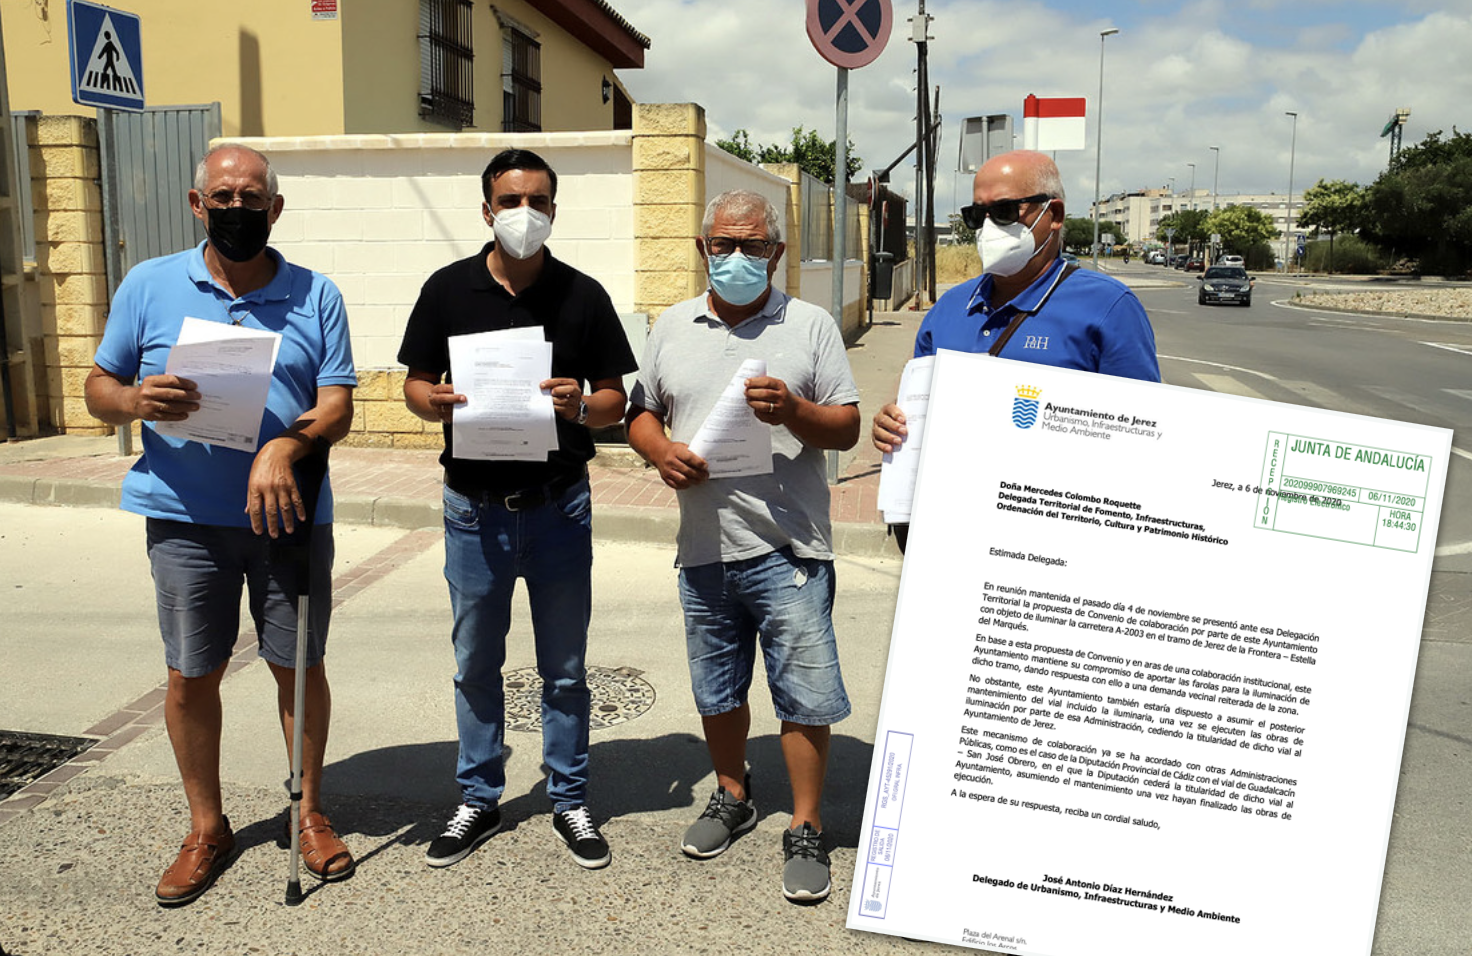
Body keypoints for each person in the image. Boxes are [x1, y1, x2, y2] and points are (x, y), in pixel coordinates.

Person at [84, 144, 358, 905]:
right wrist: (134, 400)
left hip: (290, 515)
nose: (239, 208)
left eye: (253, 197)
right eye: (224, 196)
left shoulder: (316, 293)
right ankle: (207, 827)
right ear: (198, 204)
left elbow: (337, 404)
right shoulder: (149, 284)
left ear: (276, 207)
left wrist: (285, 446)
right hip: (185, 520)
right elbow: (99, 385)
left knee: (298, 668)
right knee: (190, 672)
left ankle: (308, 813)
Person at [398, 148, 636, 871]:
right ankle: (479, 796)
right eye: (510, 200)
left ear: (554, 210)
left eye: (537, 200)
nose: (524, 213)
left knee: (564, 668)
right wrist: (433, 401)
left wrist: (581, 405)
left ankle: (569, 798)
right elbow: (414, 384)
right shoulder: (447, 289)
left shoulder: (583, 295)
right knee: (476, 663)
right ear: (486, 209)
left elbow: (615, 400)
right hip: (474, 512)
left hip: (559, 506)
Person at [626, 189, 861, 903]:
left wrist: (794, 410)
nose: (736, 256)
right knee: (718, 689)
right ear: (703, 249)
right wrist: (659, 451)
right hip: (704, 547)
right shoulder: (672, 325)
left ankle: (807, 824)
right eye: (723, 244)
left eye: (753, 245)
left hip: (790, 550)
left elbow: (847, 426)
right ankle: (733, 793)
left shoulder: (811, 325)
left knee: (804, 696)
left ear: (776, 253)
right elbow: (641, 412)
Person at [873, 150, 1160, 548]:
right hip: (947, 536)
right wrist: (892, 424)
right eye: (978, 215)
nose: (989, 227)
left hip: (1048, 548)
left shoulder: (1109, 307)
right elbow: (918, 406)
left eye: (1005, 211)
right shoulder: (949, 309)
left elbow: (1142, 441)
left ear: (1053, 215)